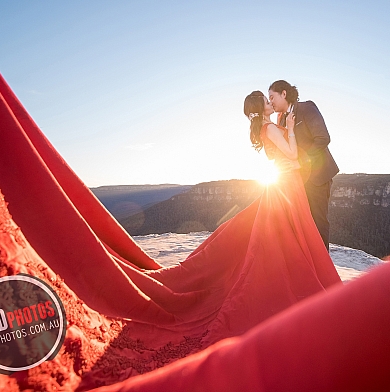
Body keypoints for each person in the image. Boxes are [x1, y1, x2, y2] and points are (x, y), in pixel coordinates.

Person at [145, 91, 341, 346]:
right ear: (261, 108)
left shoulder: (267, 127)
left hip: (286, 183)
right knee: (288, 232)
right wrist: (292, 129)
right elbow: (292, 155)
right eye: (267, 101)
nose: (271, 103)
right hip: (288, 185)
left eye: (271, 98)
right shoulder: (271, 128)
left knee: (283, 232)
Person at [268, 80, 339, 251]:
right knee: (300, 223)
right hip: (297, 181)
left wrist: (300, 163)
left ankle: (322, 264)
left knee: (318, 221)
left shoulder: (307, 108)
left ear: (284, 93)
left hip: (317, 177)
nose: (271, 102)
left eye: (272, 97)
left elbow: (323, 138)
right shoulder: (280, 120)